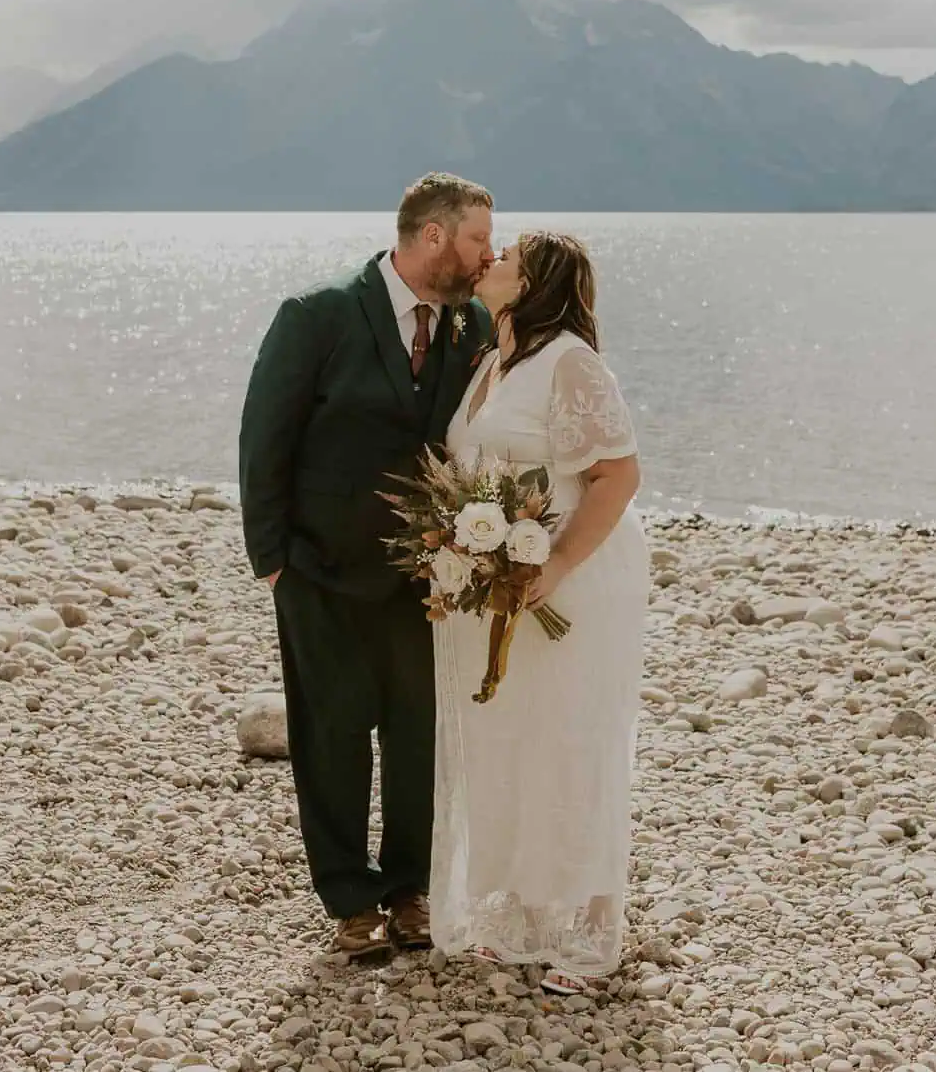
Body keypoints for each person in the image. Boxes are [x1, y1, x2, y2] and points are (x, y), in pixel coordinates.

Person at [237, 173, 496, 959]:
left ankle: (409, 890)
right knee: (333, 735)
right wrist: (273, 561)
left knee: (423, 735)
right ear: (432, 238)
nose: (489, 254)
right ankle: (350, 900)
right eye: (479, 238)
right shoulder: (317, 315)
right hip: (319, 571)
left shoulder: (473, 322)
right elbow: (263, 438)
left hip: (426, 579)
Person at [430, 230, 648, 994]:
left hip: (570, 585)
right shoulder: (496, 359)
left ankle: (587, 929)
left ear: (539, 282)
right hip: (498, 587)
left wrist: (552, 561)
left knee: (571, 739)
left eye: (510, 257)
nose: (491, 261)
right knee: (511, 737)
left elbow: (617, 477)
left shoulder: (570, 364)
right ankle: (518, 914)